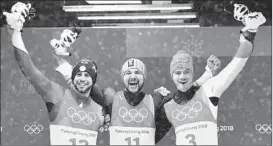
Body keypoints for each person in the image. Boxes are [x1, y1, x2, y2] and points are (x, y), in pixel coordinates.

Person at [55, 55, 221, 145]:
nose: (133, 76)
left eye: (137, 73)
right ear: (123, 78)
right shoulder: (112, 99)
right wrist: (62, 61)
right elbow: (85, 83)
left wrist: (207, 74)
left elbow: (183, 93)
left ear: (144, 77)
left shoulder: (156, 100)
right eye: (128, 73)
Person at [156, 11, 266, 145]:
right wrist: (156, 104)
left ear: (192, 74)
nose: (182, 76)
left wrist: (250, 32)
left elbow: (236, 64)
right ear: (172, 76)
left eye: (186, 72)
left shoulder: (208, 90)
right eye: (178, 73)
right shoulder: (168, 105)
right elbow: (149, 137)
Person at [4, 2, 107, 145]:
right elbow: (28, 68)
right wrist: (16, 33)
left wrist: (60, 59)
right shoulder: (56, 95)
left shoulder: (101, 111)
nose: (82, 79)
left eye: (87, 76)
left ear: (93, 80)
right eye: (78, 75)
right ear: (72, 76)